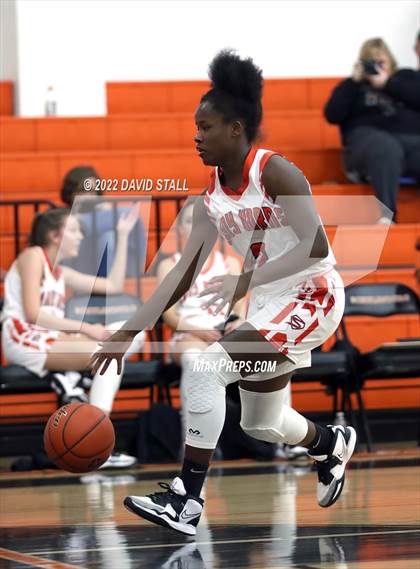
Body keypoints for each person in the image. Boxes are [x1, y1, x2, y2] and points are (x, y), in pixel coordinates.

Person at [91, 50, 357, 535]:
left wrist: (245, 280)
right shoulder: (208, 198)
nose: (196, 136)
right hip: (271, 303)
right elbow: (179, 276)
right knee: (262, 422)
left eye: (206, 126)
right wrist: (127, 331)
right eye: (196, 126)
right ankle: (329, 443)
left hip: (313, 296)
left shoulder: (276, 172)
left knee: (206, 368)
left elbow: (317, 249)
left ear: (235, 128)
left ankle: (186, 499)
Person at [1, 207, 142, 468]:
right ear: (56, 235)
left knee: (128, 333)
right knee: (106, 353)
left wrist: (122, 236)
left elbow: (114, 286)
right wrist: (84, 328)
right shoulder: (33, 256)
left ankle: (93, 433)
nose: (80, 237)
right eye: (75, 231)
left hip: (50, 338)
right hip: (23, 336)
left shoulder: (61, 272)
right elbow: (32, 314)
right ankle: (97, 435)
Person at [324, 37, 420, 223]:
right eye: (370, 62)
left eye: (380, 62)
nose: (375, 67)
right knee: (385, 147)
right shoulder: (352, 87)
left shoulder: (405, 78)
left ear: (390, 61)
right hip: (369, 142)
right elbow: (332, 114)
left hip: (409, 142)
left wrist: (387, 83)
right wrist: (354, 81)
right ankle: (387, 217)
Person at [61, 166, 147, 278]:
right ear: (71, 192)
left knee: (109, 235)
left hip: (109, 272)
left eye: (93, 191)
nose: (89, 197)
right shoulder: (60, 216)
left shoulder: (105, 214)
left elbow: (131, 214)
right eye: (83, 191)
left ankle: (109, 285)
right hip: (77, 270)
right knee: (117, 224)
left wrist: (104, 213)